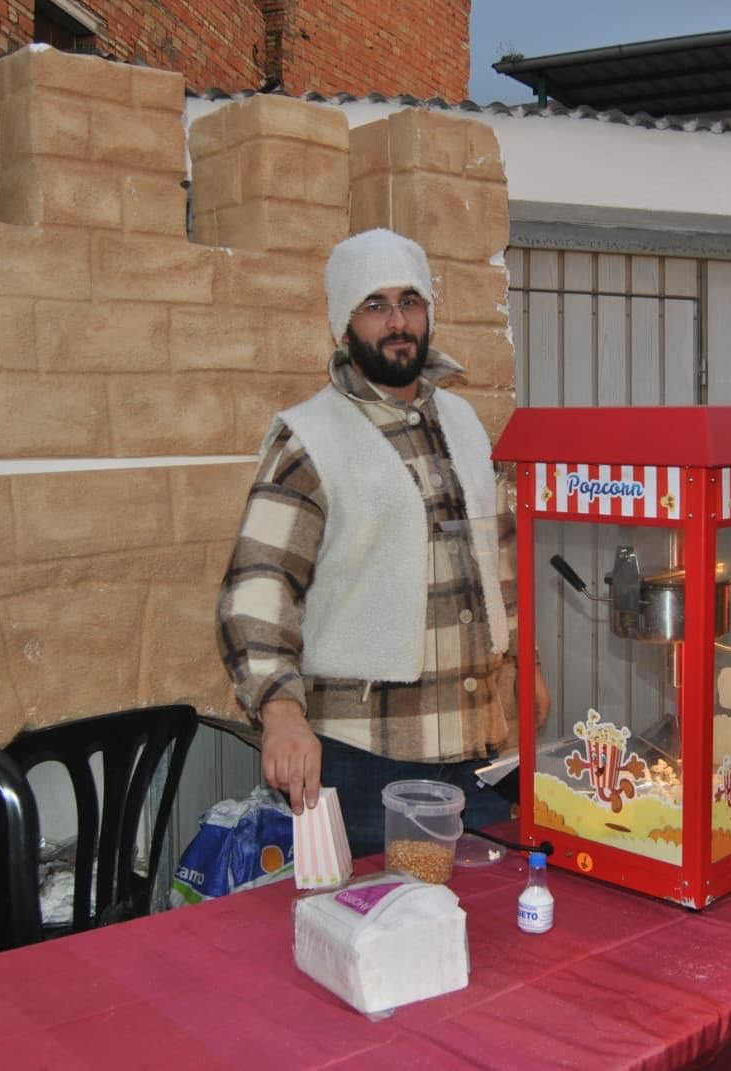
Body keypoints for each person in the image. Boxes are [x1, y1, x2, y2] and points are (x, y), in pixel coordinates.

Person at [217, 228, 549, 857]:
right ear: (343, 327)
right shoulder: (310, 439)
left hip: (479, 754)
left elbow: (500, 555)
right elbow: (257, 588)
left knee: (488, 940)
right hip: (365, 766)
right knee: (379, 943)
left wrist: (524, 661)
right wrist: (281, 713)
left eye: (410, 301)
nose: (397, 321)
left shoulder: (464, 422)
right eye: (374, 305)